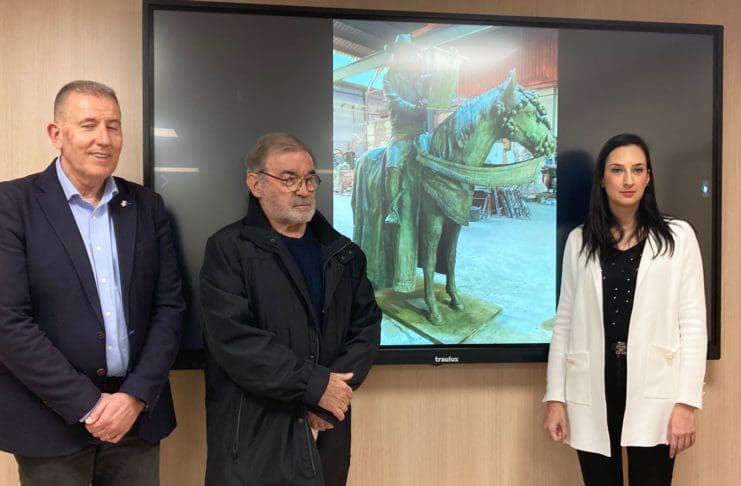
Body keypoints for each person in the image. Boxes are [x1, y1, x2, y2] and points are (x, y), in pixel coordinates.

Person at [0, 80, 185, 485]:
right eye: (89, 125)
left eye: (113, 126)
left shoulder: (147, 207)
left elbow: (169, 308)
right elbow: (8, 322)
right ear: (56, 134)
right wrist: (90, 405)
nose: (104, 139)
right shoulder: (11, 205)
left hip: (136, 418)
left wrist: (133, 396)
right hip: (49, 421)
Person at [200, 132, 382, 485]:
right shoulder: (228, 250)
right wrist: (316, 387)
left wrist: (329, 396)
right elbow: (236, 341)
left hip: (327, 427)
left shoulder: (344, 254)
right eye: (289, 179)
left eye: (310, 178)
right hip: (253, 440)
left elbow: (366, 327)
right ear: (256, 184)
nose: (304, 189)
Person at [543, 133, 707, 486]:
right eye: (617, 170)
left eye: (637, 169)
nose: (628, 180)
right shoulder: (579, 241)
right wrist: (555, 398)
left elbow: (694, 325)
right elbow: (564, 323)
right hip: (594, 384)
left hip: (655, 388)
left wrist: (686, 404)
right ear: (603, 179)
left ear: (648, 177)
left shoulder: (678, 237)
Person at [382, 33, 428, 225]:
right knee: (393, 166)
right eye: (402, 52)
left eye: (408, 52)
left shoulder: (420, 78)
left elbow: (430, 95)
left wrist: (426, 102)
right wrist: (416, 108)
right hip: (401, 133)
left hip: (422, 132)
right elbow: (396, 102)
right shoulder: (389, 77)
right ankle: (393, 209)